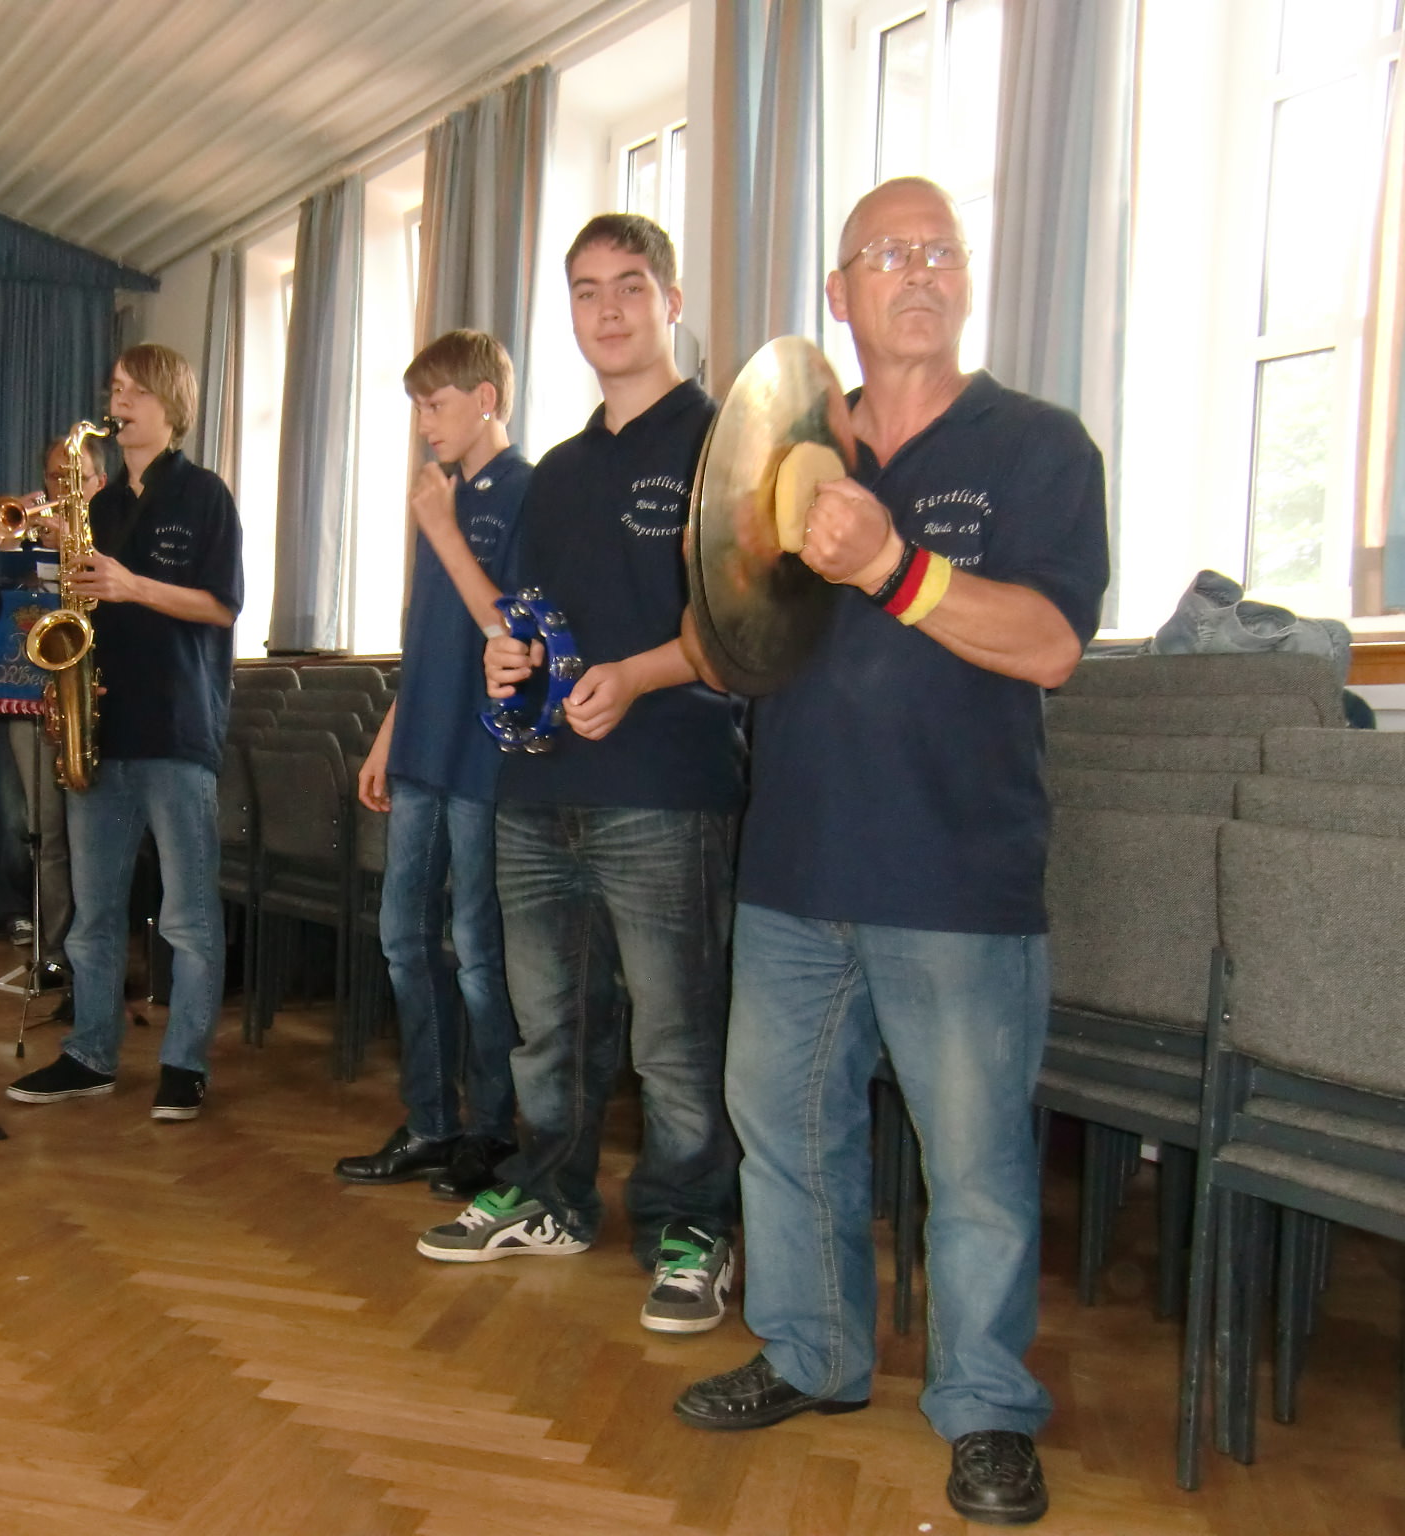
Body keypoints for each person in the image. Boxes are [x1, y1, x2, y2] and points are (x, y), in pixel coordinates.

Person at [671, 177, 1108, 1527]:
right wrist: (711, 597)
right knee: (784, 1135)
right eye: (887, 253)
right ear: (839, 293)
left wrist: (890, 567)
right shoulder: (785, 449)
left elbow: (1051, 645)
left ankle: (984, 1410)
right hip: (793, 866)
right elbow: (719, 649)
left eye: (940, 251)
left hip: (957, 875)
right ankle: (811, 1354)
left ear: (964, 279)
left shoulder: (1034, 446)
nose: (918, 271)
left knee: (973, 1170)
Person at [415, 216, 746, 1340]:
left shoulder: (721, 445)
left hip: (667, 786)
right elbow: (527, 621)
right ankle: (550, 1195)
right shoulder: (555, 472)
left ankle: (690, 1226)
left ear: (672, 300)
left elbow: (749, 627)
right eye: (586, 290)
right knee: (546, 1027)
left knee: (674, 1039)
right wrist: (508, 659)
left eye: (630, 286)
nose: (608, 309)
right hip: (539, 789)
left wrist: (641, 675)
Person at [3, 344, 241, 1121]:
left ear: (173, 405)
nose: (120, 403)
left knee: (187, 916)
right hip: (101, 729)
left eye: (136, 391)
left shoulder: (205, 496)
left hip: (177, 727)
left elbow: (222, 607)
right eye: (115, 389)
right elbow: (85, 616)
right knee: (94, 912)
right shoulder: (97, 510)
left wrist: (133, 584)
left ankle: (185, 1064)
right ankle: (90, 1053)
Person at [335, 331, 526, 1200]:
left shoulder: (526, 492)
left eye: (436, 404)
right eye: (416, 407)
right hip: (421, 744)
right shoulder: (438, 493)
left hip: (484, 754)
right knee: (403, 939)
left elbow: (511, 629)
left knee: (478, 952)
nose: (424, 423)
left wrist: (445, 530)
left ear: (486, 399)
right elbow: (428, 634)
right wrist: (388, 733)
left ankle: (492, 1130)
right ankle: (431, 1121)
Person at [0, 433, 103, 980]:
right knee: (45, 831)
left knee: (96, 837)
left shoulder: (114, 533)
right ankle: (54, 951)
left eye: (77, 478)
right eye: (57, 478)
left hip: (99, 699)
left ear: (99, 482)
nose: (65, 488)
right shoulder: (30, 536)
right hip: (33, 702)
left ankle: (97, 953)